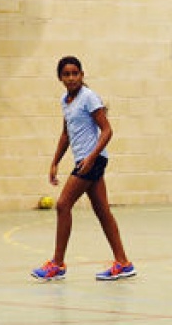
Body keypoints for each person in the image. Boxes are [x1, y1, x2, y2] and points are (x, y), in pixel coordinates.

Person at [31, 56, 135, 281]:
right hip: (84, 161)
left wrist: (91, 157)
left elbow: (107, 130)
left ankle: (57, 264)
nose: (71, 78)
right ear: (60, 78)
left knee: (62, 204)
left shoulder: (89, 97)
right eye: (66, 74)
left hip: (93, 161)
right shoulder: (65, 101)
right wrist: (55, 161)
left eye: (75, 73)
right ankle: (123, 263)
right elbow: (66, 133)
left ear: (82, 75)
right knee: (102, 211)